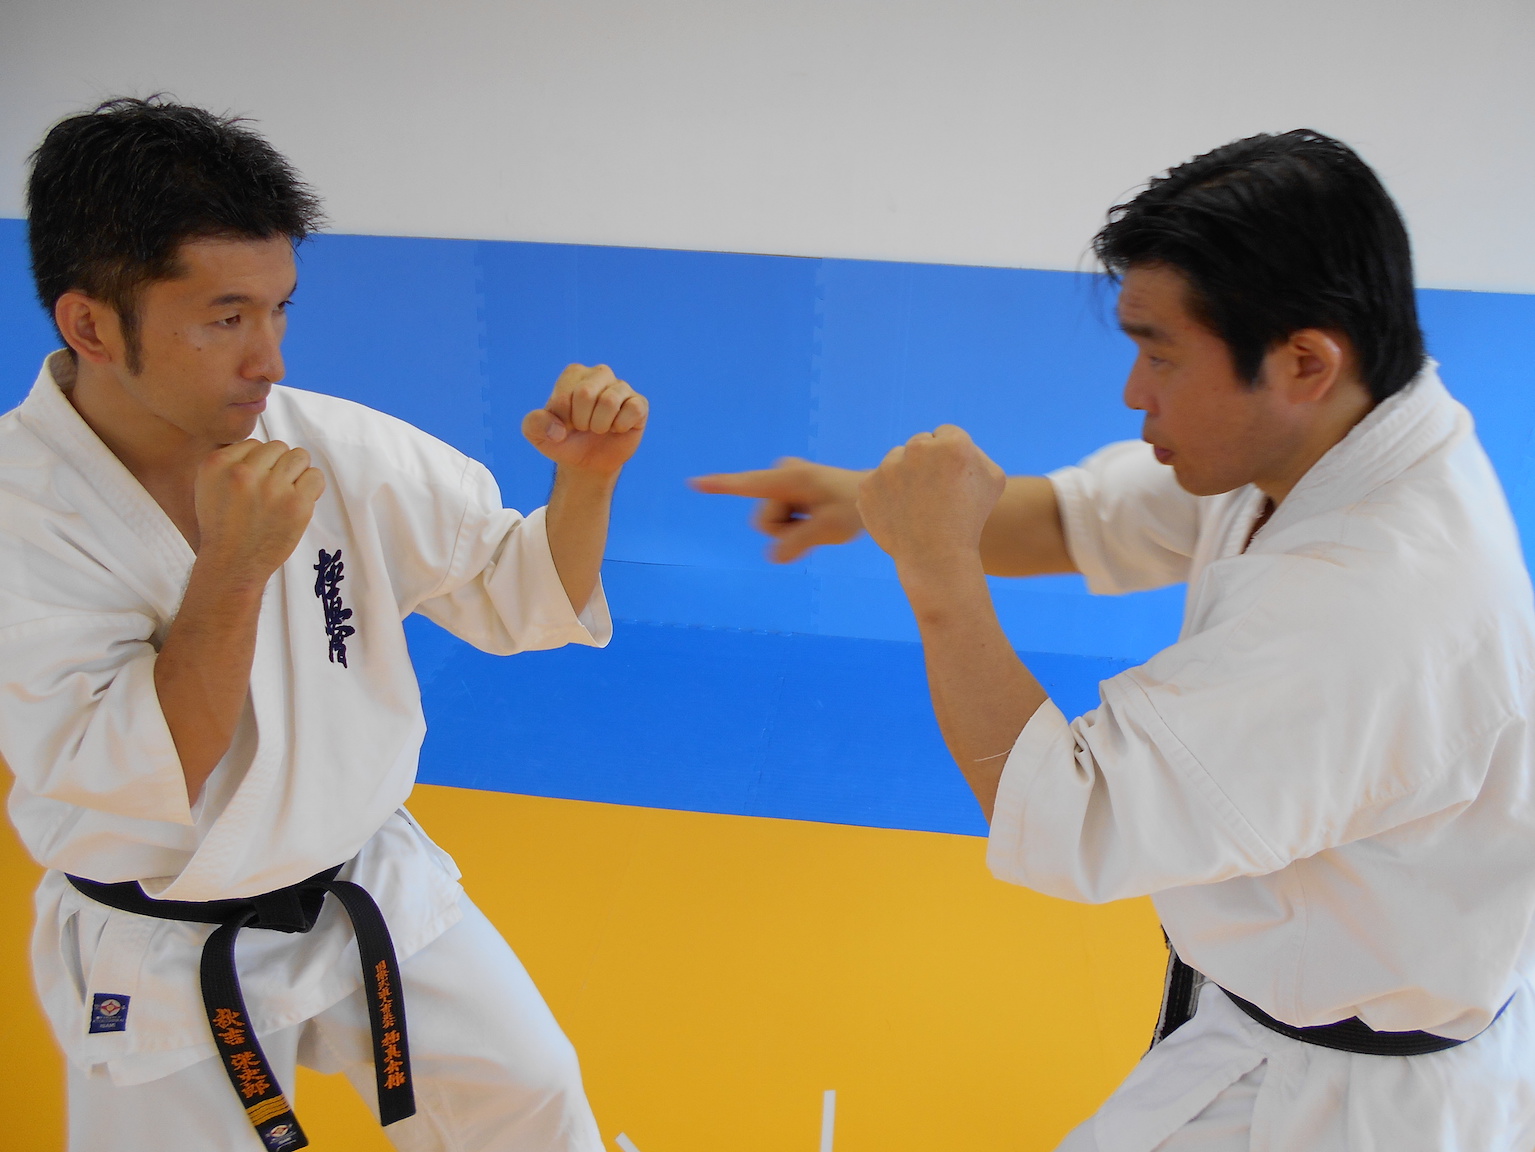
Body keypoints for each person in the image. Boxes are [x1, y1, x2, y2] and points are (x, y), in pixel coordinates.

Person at [694, 130, 1535, 1149]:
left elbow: (1065, 817)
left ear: (1304, 361)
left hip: (1339, 1106)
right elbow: (1074, 520)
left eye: (1159, 353)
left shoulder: (1365, 609)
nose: (1134, 390)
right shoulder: (1343, 434)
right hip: (1291, 1006)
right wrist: (866, 501)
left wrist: (937, 574)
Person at [2, 97, 648, 1152]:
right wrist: (235, 566)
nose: (268, 358)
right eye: (225, 318)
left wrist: (584, 484)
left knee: (531, 1094)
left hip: (363, 884)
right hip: (155, 942)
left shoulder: (330, 445)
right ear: (91, 326)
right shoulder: (21, 522)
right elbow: (148, 766)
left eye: (278, 310)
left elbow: (519, 592)